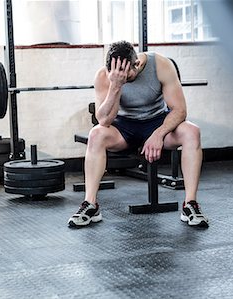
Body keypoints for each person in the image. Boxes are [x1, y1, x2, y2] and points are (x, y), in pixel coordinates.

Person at [68, 41, 209, 228]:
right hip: (124, 128)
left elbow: (180, 111)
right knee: (96, 134)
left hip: (158, 122)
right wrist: (115, 86)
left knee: (192, 131)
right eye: (118, 74)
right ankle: (91, 204)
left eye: (127, 75)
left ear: (137, 64)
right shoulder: (105, 76)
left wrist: (158, 134)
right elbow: (103, 120)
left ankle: (190, 204)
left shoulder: (160, 65)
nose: (123, 78)